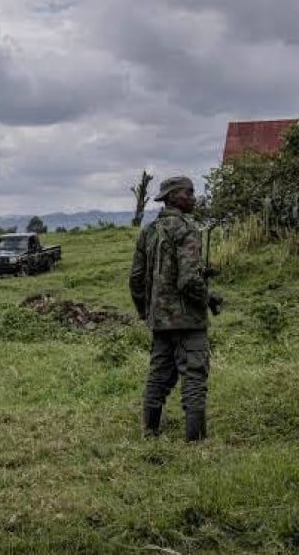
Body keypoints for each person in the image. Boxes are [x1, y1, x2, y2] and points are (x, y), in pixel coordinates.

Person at [129, 176, 219, 442]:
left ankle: (150, 432)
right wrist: (209, 297)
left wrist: (145, 311)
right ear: (171, 197)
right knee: (194, 378)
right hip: (188, 320)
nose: (194, 197)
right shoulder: (187, 229)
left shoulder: (149, 231)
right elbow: (188, 279)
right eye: (188, 193)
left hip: (159, 320)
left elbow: (135, 278)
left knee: (158, 375)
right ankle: (196, 441)